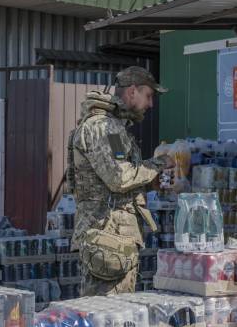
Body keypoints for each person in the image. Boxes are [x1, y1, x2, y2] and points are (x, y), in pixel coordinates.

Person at [67, 66, 172, 296]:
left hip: (113, 240)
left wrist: (148, 181)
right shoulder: (105, 127)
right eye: (148, 96)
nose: (151, 104)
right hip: (107, 239)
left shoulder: (113, 128)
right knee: (107, 319)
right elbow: (119, 177)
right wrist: (157, 164)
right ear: (132, 91)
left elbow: (119, 176)